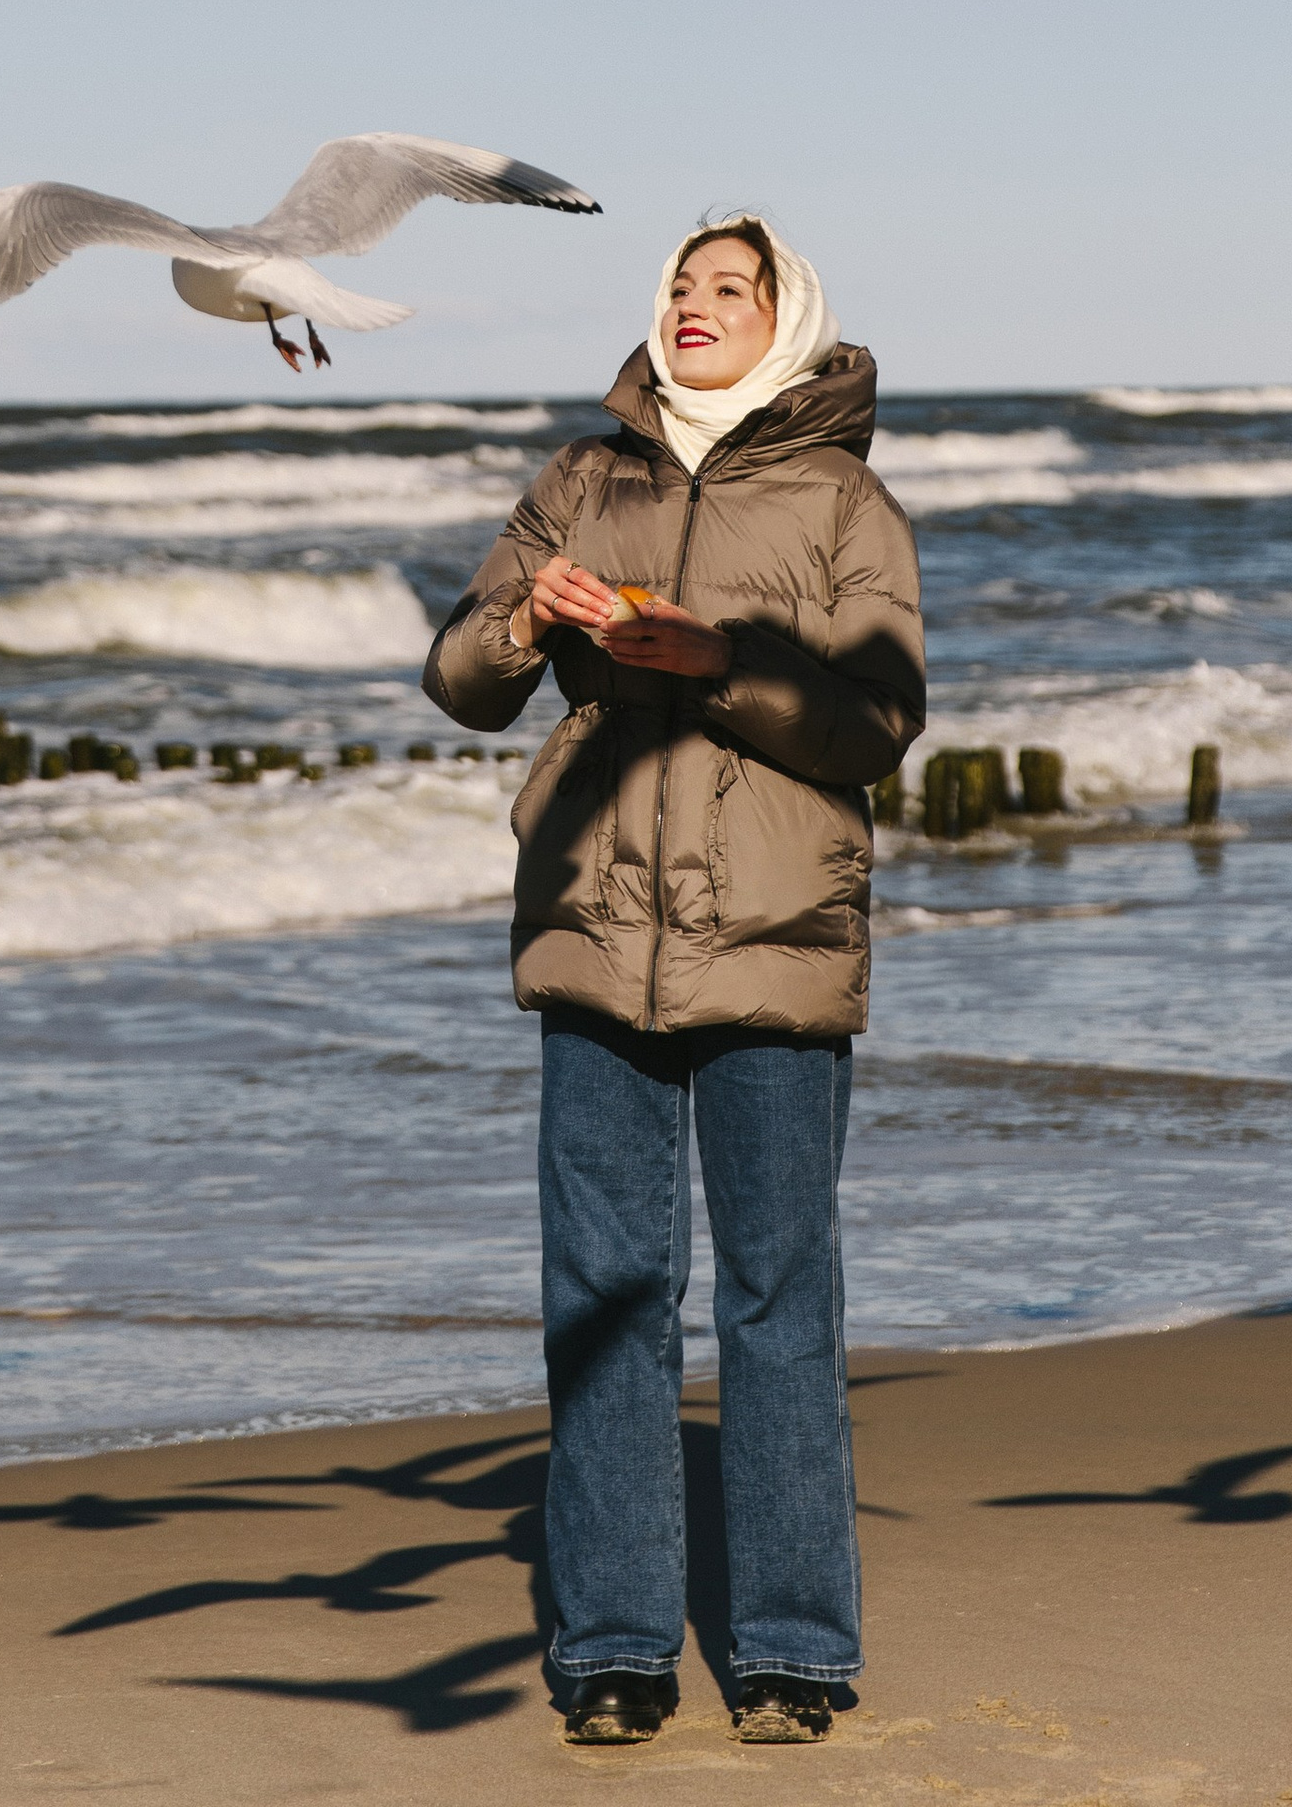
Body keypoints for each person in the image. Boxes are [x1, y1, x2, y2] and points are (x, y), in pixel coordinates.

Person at [424, 212, 925, 1750]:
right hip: (594, 932)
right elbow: (458, 679)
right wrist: (528, 620)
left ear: (786, 320)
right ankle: (616, 1647)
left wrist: (713, 662)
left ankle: (792, 1648)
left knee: (779, 1298)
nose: (695, 305)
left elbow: (877, 723)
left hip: (774, 937)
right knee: (604, 1298)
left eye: (730, 289)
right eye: (679, 286)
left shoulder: (843, 501)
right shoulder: (587, 480)